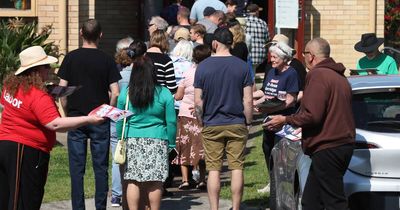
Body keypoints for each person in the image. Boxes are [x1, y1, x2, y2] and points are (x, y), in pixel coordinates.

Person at [0, 46, 104, 210]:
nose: (50, 69)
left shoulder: (11, 86)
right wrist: (89, 119)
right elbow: (55, 124)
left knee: (7, 197)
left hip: (6, 146)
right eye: (46, 66)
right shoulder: (38, 95)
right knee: (24, 200)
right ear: (35, 70)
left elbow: (9, 105)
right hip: (26, 151)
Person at [265, 37, 355, 210]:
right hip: (337, 145)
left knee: (334, 201)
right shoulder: (339, 77)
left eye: (305, 53)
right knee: (311, 201)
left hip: (329, 146)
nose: (303, 57)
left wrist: (285, 120)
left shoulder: (318, 75)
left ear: (311, 56)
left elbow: (312, 115)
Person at [57, 19, 122, 210]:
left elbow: (62, 92)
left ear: (80, 33)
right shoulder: (106, 59)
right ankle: (100, 207)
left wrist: (68, 114)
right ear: (100, 35)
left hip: (76, 119)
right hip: (99, 119)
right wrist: (107, 112)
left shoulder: (71, 57)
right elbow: (116, 91)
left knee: (77, 171)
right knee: (100, 169)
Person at [194, 27, 253, 210]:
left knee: (213, 169)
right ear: (231, 43)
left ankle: (214, 208)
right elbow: (248, 100)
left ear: (214, 43)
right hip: (236, 122)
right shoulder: (243, 66)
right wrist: (248, 121)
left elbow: (198, 101)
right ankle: (236, 207)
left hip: (212, 122)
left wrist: (201, 121)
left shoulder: (203, 67)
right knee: (237, 167)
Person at [116, 56, 177, 210]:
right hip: (157, 140)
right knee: (155, 181)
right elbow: (171, 122)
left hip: (132, 139)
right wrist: (171, 143)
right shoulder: (164, 93)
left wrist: (120, 138)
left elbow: (119, 119)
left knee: (132, 180)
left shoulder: (127, 92)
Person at [252, 41, 299, 194]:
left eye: (274, 57)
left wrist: (272, 108)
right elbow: (266, 92)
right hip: (268, 119)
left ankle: (284, 184)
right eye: (271, 56)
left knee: (281, 153)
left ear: (284, 58)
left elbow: (291, 100)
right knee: (267, 149)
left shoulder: (291, 73)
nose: (271, 60)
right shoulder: (271, 71)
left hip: (283, 120)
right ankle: (272, 181)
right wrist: (252, 100)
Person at [111, 39, 147, 207]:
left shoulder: (120, 75)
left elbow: (115, 95)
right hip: (142, 123)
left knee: (119, 160)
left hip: (123, 121)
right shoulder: (146, 75)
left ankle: (119, 196)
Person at [172, 44, 211, 190]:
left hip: (185, 115)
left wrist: (174, 95)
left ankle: (185, 180)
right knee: (200, 147)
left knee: (184, 146)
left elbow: (179, 95)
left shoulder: (188, 72)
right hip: (202, 115)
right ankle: (202, 179)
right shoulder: (209, 73)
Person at [146, 29, 178, 93]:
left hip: (141, 96)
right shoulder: (166, 60)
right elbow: (172, 87)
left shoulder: (141, 57)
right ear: (165, 42)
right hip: (159, 96)